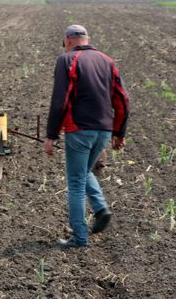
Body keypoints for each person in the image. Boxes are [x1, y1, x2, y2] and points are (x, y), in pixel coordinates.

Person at [44, 24, 130, 249]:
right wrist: (119, 133)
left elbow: (60, 100)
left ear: (68, 41)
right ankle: (101, 210)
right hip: (103, 130)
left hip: (79, 130)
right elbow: (122, 99)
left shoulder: (67, 60)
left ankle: (79, 237)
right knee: (84, 172)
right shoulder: (106, 60)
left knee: (75, 182)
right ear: (86, 39)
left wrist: (51, 135)